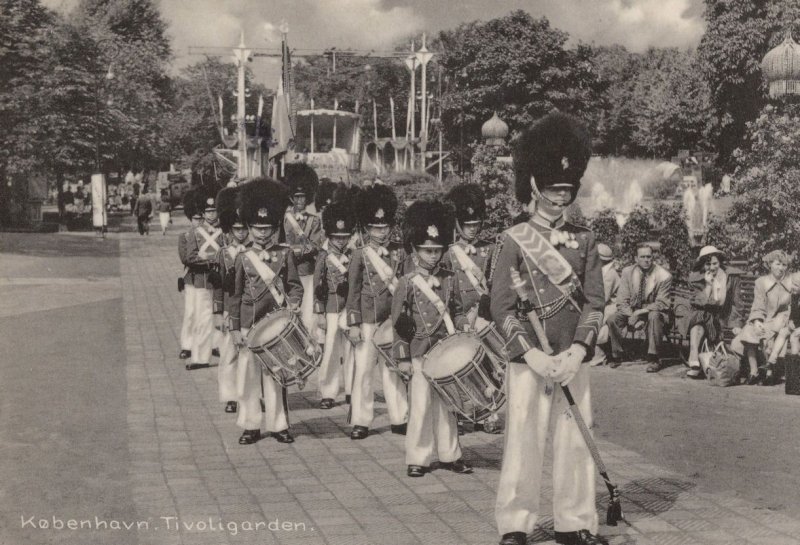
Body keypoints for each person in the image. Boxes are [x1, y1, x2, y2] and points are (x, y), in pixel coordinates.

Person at [490, 112, 607, 545]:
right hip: (530, 358)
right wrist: (533, 355)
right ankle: (516, 523)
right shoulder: (513, 238)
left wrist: (577, 351)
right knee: (523, 438)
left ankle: (574, 521)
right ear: (535, 187)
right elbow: (502, 307)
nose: (561, 198)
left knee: (575, 439)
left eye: (568, 190)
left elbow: (595, 301)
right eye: (554, 190)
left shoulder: (587, 239)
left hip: (573, 356)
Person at [392, 198, 473, 477]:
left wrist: (464, 326)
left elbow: (459, 311)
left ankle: (451, 454)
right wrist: (402, 359)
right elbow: (399, 326)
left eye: (437, 250)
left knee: (449, 404)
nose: (433, 256)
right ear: (415, 250)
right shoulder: (406, 283)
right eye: (427, 250)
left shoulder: (451, 279)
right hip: (420, 352)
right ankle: (418, 457)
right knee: (421, 406)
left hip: (446, 349)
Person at [229, 178, 302, 445]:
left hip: (275, 326)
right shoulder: (242, 258)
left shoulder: (285, 254)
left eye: (267, 228)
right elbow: (234, 296)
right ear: (248, 228)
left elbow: (295, 286)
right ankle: (250, 425)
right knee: (248, 378)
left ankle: (279, 424)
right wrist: (235, 329)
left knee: (277, 375)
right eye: (257, 228)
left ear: (274, 229)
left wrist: (294, 303)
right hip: (249, 325)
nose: (262, 233)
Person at [345, 184, 409, 439]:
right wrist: (353, 323)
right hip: (369, 320)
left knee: (393, 368)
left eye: (384, 227)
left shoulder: (401, 252)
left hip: (392, 319)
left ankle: (399, 417)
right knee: (363, 370)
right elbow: (353, 291)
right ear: (366, 228)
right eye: (375, 227)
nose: (381, 232)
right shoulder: (360, 255)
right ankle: (361, 420)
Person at [444, 182, 502, 434]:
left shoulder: (490, 250)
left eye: (475, 224)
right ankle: (463, 411)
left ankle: (489, 412)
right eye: (467, 225)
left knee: (488, 366)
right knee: (460, 367)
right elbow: (446, 289)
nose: (472, 229)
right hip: (457, 318)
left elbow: (495, 284)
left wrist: (483, 312)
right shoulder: (448, 253)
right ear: (457, 224)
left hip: (482, 317)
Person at [313, 200, 356, 409]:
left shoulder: (354, 255)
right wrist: (319, 313)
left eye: (345, 237)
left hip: (349, 308)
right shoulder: (323, 257)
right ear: (329, 236)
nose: (341, 241)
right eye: (337, 237)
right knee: (330, 351)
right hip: (330, 307)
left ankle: (351, 389)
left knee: (351, 350)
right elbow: (317, 286)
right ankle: (328, 391)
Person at [606, 243, 672, 372]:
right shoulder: (627, 272)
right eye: (642, 257)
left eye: (649, 256)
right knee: (612, 319)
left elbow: (661, 303)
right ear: (636, 258)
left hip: (656, 313)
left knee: (654, 315)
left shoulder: (664, 276)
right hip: (632, 311)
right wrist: (632, 315)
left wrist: (640, 313)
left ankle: (654, 358)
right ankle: (617, 354)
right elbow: (622, 300)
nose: (646, 260)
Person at [213, 185, 249, 414]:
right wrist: (218, 312)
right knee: (229, 354)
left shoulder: (257, 252)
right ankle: (230, 395)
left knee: (251, 355)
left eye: (244, 229)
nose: (241, 233)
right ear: (230, 229)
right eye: (237, 229)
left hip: (251, 309)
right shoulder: (223, 253)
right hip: (229, 309)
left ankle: (252, 393)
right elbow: (217, 285)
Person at [731, 250, 793, 385]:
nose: (781, 268)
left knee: (766, 336)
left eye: (784, 265)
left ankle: (769, 373)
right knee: (749, 331)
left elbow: (792, 307)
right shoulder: (761, 282)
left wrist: (782, 320)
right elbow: (758, 304)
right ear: (770, 264)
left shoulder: (791, 282)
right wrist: (757, 320)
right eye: (778, 264)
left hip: (782, 320)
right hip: (764, 318)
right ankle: (754, 371)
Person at [179, 189, 223, 371]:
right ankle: (200, 357)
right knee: (202, 318)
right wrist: (211, 259)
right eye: (208, 212)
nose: (212, 214)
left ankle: (219, 348)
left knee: (221, 318)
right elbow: (190, 257)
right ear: (203, 214)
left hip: (221, 279)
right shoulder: (195, 233)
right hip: (202, 280)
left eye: (214, 211)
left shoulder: (224, 232)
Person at [685, 246, 743, 379]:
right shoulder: (696, 279)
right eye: (708, 264)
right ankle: (694, 355)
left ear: (720, 262)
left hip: (723, 317)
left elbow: (737, 303)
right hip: (702, 316)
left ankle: (694, 361)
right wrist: (709, 285)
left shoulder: (731, 277)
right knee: (700, 313)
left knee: (700, 315)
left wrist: (736, 323)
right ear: (702, 264)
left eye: (715, 263)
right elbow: (699, 303)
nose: (712, 267)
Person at [282, 164, 324, 335]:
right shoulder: (283, 219)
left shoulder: (314, 221)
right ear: (291, 198)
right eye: (297, 197)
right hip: (287, 270)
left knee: (307, 309)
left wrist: (301, 251)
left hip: (307, 270)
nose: (300, 201)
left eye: (303, 197)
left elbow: (316, 244)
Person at [177, 189, 202, 360]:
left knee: (207, 313)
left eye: (202, 218)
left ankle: (209, 344)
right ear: (190, 219)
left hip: (210, 279)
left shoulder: (214, 235)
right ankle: (187, 345)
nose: (199, 222)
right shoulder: (185, 236)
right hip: (192, 278)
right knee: (191, 312)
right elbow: (186, 258)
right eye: (196, 219)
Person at [592, 243, 620, 365]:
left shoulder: (609, 274)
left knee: (597, 320)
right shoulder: (600, 271)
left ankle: (599, 354)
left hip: (612, 306)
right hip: (603, 304)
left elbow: (603, 297)